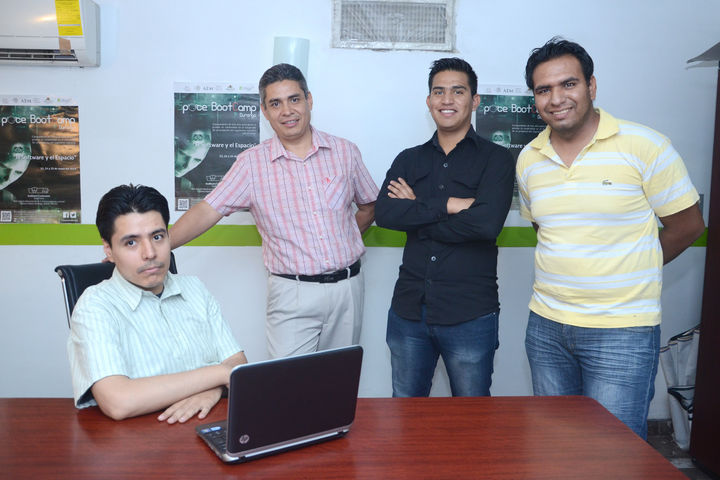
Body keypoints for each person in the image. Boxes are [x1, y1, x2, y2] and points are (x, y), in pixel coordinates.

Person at [517, 37, 706, 438]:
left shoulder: (645, 146)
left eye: (568, 84)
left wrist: (633, 263)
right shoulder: (529, 158)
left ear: (591, 86)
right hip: (547, 328)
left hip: (622, 330)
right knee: (554, 445)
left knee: (613, 452)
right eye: (543, 89)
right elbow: (546, 231)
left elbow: (688, 226)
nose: (556, 98)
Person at [170, 63, 379, 359]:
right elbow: (206, 211)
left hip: (348, 289)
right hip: (291, 293)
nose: (287, 111)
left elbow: (369, 206)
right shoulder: (251, 164)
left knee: (339, 378)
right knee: (286, 382)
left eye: (294, 99)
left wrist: (341, 241)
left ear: (309, 100)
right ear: (265, 111)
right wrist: (157, 247)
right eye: (276, 103)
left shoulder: (345, 152)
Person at [375, 58, 514, 397]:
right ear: (429, 101)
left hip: (470, 313)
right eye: (438, 92)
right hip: (409, 311)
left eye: (458, 91)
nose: (447, 100)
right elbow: (386, 214)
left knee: (471, 416)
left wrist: (417, 211)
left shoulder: (497, 159)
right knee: (405, 412)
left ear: (474, 100)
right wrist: (450, 204)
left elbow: (486, 225)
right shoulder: (409, 159)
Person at [67, 184, 247, 423]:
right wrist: (221, 375)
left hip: (207, 427)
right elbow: (118, 402)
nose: (150, 253)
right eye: (131, 243)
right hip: (139, 437)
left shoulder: (194, 288)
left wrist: (212, 389)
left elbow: (237, 364)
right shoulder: (95, 306)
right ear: (108, 250)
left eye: (157, 237)